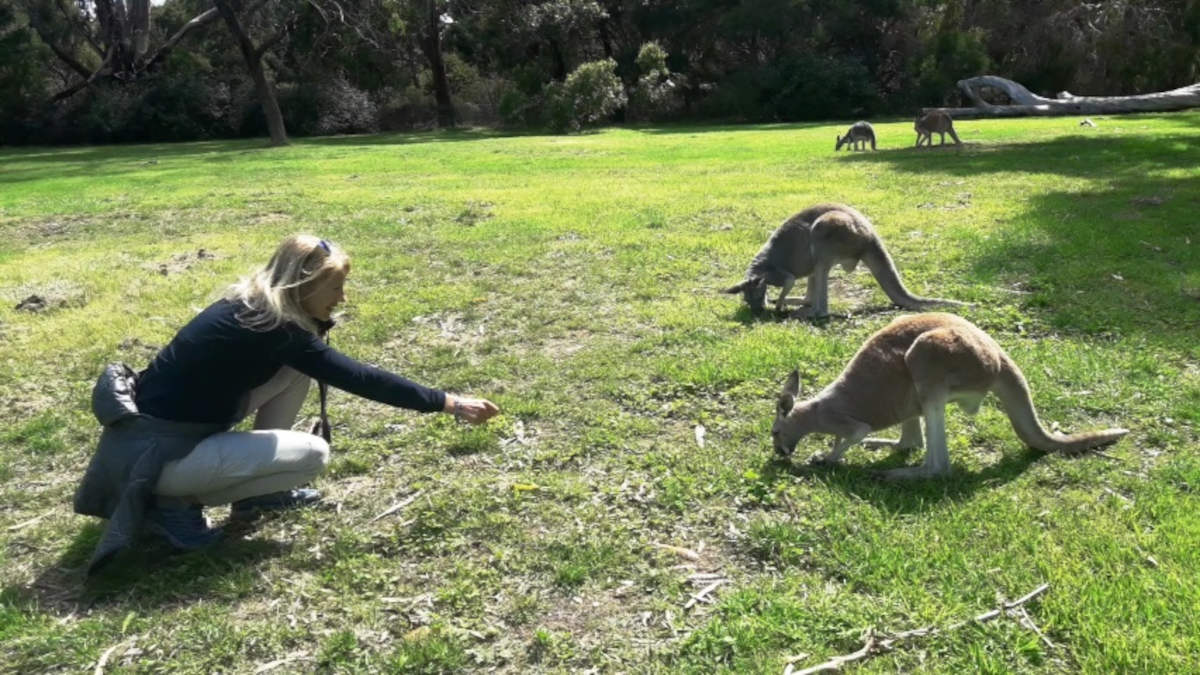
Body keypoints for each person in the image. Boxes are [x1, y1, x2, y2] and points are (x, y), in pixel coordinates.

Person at [74, 234, 499, 574]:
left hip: (159, 440)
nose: (343, 298)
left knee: (297, 370)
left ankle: (257, 495)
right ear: (303, 285)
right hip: (158, 459)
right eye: (335, 287)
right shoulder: (274, 328)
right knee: (312, 454)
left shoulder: (253, 309)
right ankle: (171, 507)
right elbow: (360, 377)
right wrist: (450, 403)